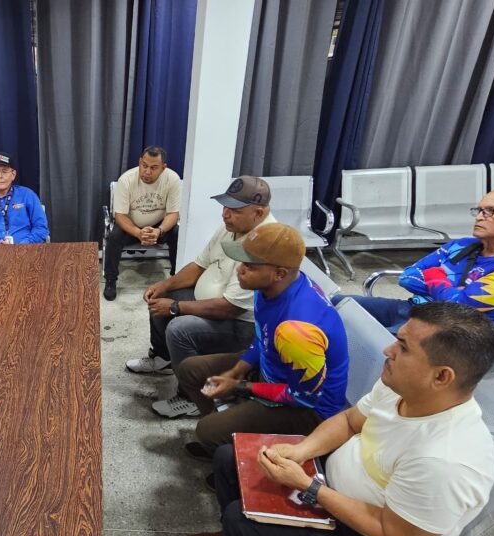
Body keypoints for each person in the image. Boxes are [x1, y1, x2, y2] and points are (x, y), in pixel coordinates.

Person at [180, 302, 494, 536]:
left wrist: (310, 488)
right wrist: (300, 451)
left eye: (403, 347)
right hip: (335, 489)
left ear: (441, 376)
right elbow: (349, 421)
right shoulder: (402, 389)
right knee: (230, 458)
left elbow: (396, 534)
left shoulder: (444, 459)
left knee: (243, 521)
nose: (388, 350)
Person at [175, 222, 349, 474]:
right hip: (275, 369)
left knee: (206, 431)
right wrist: (236, 372)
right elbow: (263, 337)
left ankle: (233, 460)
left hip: (309, 409)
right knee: (191, 370)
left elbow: (304, 397)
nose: (240, 270)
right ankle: (229, 438)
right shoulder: (267, 287)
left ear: (279, 273)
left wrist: (241, 387)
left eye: (250, 266)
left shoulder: (297, 330)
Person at [129, 176, 279, 419]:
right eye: (225, 206)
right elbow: (199, 265)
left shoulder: (265, 243)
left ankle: (193, 398)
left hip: (242, 325)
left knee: (179, 328)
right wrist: (164, 285)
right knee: (162, 298)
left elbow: (230, 308)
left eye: (235, 210)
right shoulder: (231, 227)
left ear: (259, 212)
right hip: (218, 304)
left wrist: (176, 307)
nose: (225, 214)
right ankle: (163, 358)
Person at [334, 187, 494, 332]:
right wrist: (449, 290)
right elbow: (407, 277)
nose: (480, 217)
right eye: (479, 210)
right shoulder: (462, 245)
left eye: (491, 211)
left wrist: (434, 274)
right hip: (414, 310)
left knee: (357, 340)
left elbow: (456, 307)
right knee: (332, 304)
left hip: (449, 335)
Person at [102, 147, 183, 300]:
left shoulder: (172, 179)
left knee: (177, 233)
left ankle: (175, 279)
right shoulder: (126, 180)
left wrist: (159, 231)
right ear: (139, 162)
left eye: (153, 168)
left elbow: (173, 213)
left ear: (163, 168)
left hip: (159, 227)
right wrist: (137, 232)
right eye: (144, 165)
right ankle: (111, 280)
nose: (147, 171)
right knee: (114, 236)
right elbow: (120, 216)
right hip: (131, 227)